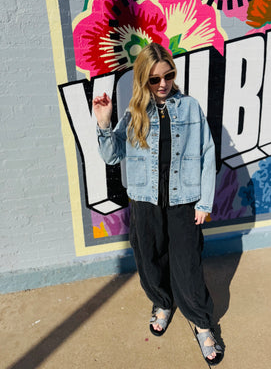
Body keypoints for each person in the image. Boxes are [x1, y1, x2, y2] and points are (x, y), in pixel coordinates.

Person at [93, 43, 223, 365]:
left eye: (168, 76)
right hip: (145, 201)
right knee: (149, 260)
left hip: (183, 201)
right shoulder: (135, 112)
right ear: (143, 80)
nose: (163, 84)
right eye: (154, 79)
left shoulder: (190, 107)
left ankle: (202, 323)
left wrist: (204, 201)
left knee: (187, 265)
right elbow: (112, 155)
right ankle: (163, 302)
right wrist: (104, 124)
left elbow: (208, 154)